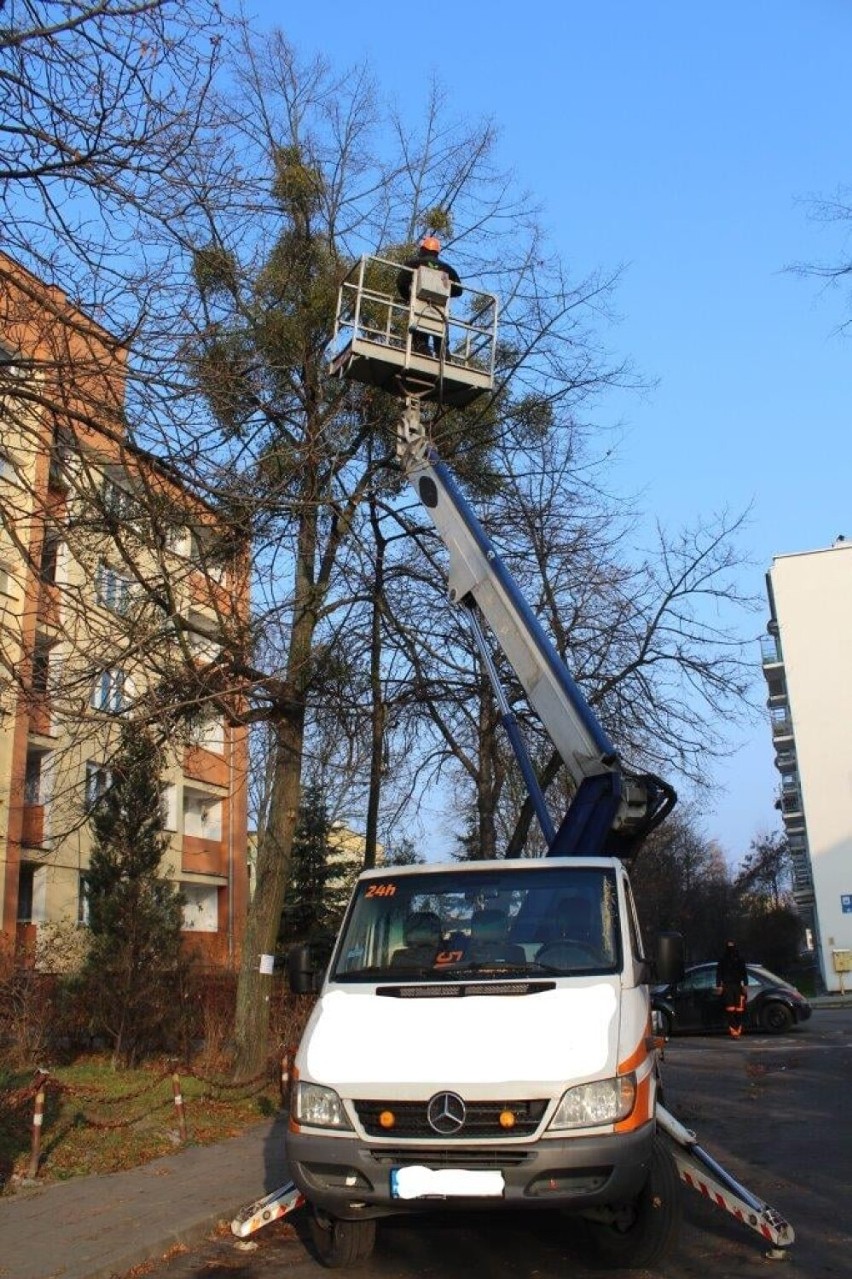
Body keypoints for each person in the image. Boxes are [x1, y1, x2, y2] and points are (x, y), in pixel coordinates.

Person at [396, 235, 462, 357]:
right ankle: (443, 351)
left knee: (420, 321)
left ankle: (422, 346)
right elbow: (458, 290)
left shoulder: (414, 264)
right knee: (440, 324)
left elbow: (401, 282)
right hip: (440, 311)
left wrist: (409, 296)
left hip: (419, 307)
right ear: (437, 252)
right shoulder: (448, 269)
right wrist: (445, 292)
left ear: (423, 250)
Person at [716, 940, 748, 1038]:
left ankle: (737, 1029)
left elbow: (744, 973)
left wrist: (745, 985)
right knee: (730, 1009)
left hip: (738, 986)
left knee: (739, 1009)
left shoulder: (740, 959)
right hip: (727, 986)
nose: (731, 950)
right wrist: (719, 986)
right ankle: (734, 1031)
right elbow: (719, 973)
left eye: (732, 947)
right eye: (729, 947)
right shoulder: (723, 960)